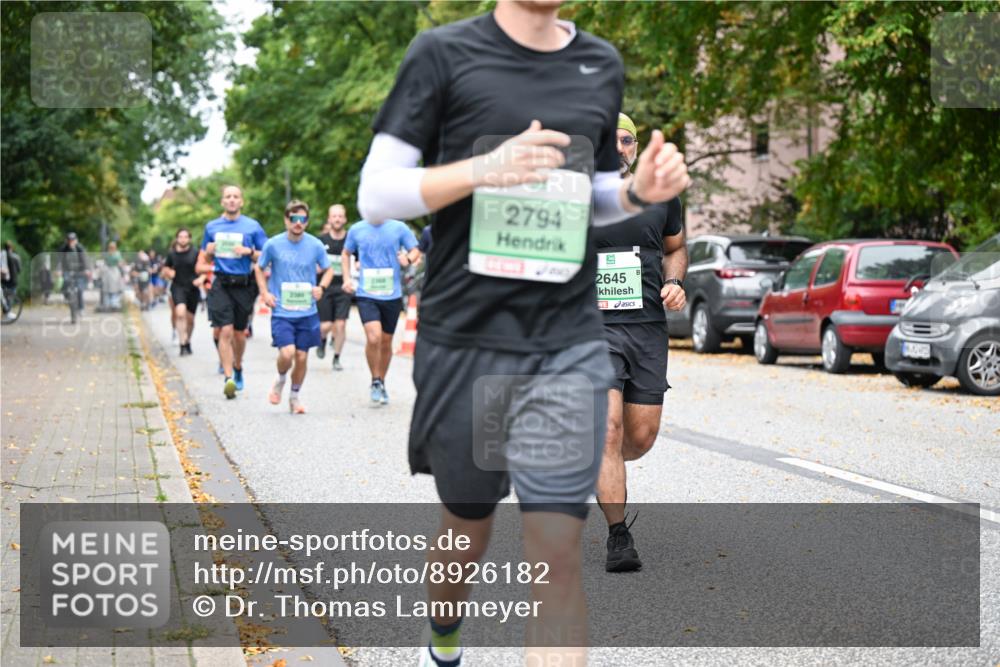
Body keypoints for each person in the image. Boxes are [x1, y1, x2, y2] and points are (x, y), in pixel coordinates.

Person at [356, 1, 690, 663]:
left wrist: (634, 194)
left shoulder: (599, 64)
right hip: (470, 338)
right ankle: (443, 639)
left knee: (557, 549)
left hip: (565, 338)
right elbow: (377, 194)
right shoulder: (442, 53)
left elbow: (589, 196)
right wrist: (485, 168)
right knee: (469, 521)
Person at [593, 112, 688, 572]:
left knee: (639, 438)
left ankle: (599, 462)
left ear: (634, 147)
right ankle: (618, 536)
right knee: (607, 430)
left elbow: (675, 248)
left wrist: (675, 283)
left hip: (648, 328)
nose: (618, 148)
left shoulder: (662, 194)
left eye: (626, 140)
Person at [255, 200, 333, 414]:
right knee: (287, 353)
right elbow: (259, 268)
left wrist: (322, 288)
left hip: (307, 311)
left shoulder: (315, 245)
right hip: (282, 310)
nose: (298, 223)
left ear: (307, 222)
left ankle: (295, 396)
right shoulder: (273, 244)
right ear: (286, 220)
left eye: (303, 219)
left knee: (301, 357)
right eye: (294, 218)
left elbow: (328, 270)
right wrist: (264, 292)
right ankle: (280, 380)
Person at [341, 217, 419, 405]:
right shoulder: (357, 228)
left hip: (391, 294)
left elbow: (416, 250)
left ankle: (381, 381)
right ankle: (375, 380)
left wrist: (407, 259)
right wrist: (346, 278)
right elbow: (346, 253)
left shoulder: (399, 227)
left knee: (386, 342)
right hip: (366, 293)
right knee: (374, 337)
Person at [202, 185, 268, 399]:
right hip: (220, 282)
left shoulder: (252, 226)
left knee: (240, 334)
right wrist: (210, 252)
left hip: (243, 284)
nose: (231, 200)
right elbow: (206, 257)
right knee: (225, 331)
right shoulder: (212, 227)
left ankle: (238, 366)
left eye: (235, 197)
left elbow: (265, 255)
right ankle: (228, 377)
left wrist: (249, 252)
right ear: (222, 202)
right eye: (228, 197)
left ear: (241, 201)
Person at [316, 204, 352, 370]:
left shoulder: (350, 240)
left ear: (344, 219)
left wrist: (357, 265)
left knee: (341, 325)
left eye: (340, 216)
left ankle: (336, 358)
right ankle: (322, 340)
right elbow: (313, 262)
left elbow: (357, 259)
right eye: (334, 216)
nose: (337, 219)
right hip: (325, 287)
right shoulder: (321, 241)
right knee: (325, 326)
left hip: (343, 287)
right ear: (329, 219)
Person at [162, 229, 200, 356]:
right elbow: (165, 268)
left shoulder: (195, 252)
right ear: (177, 238)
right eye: (180, 237)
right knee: (180, 312)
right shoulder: (172, 254)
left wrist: (201, 279)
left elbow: (203, 268)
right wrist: (168, 272)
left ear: (189, 239)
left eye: (185, 237)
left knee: (190, 320)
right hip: (178, 286)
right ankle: (182, 342)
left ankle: (188, 340)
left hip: (193, 288)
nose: (183, 239)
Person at [58, 232, 90, 319]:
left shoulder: (80, 248)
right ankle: (67, 297)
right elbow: (59, 260)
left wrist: (86, 269)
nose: (71, 242)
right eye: (69, 240)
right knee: (65, 284)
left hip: (79, 271)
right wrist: (58, 270)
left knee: (79, 290)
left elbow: (85, 259)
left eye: (72, 240)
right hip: (67, 270)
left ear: (76, 240)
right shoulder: (63, 248)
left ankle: (81, 308)